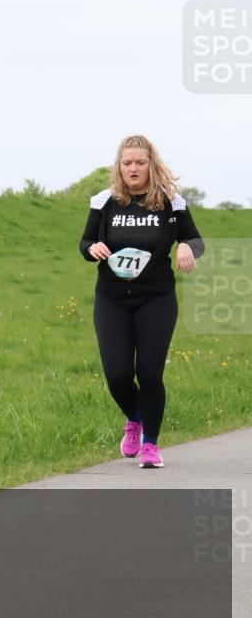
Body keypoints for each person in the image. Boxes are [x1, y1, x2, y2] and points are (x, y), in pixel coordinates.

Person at [79, 134, 204, 468]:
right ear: (119, 166)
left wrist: (187, 247)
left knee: (149, 373)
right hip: (112, 299)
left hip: (156, 298)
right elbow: (87, 241)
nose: (133, 168)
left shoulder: (170, 200)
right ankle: (134, 418)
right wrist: (92, 249)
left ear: (152, 164)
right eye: (127, 163)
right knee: (118, 375)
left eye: (140, 162)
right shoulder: (104, 201)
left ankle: (150, 443)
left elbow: (193, 237)